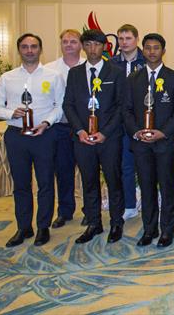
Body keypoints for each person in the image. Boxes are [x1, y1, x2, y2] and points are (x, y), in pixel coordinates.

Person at [0, 33, 65, 247]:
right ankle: (24, 227)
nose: (29, 50)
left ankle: (43, 227)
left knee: (46, 183)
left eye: (33, 46)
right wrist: (11, 113)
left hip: (44, 135)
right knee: (21, 184)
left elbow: (60, 105)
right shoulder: (7, 77)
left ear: (40, 49)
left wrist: (47, 123)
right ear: (19, 50)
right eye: (25, 47)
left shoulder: (52, 76)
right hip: (16, 137)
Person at [63, 29, 127, 244]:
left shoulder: (116, 72)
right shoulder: (75, 73)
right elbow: (68, 105)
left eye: (97, 45)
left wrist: (105, 132)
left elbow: (121, 106)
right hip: (82, 138)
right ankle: (94, 223)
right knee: (89, 182)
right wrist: (80, 130)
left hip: (109, 138)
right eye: (88, 45)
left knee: (113, 180)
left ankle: (117, 222)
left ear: (104, 47)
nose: (92, 49)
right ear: (83, 47)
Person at [123, 33, 174, 248]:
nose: (152, 51)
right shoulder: (133, 79)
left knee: (167, 186)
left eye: (156, 47)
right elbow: (127, 110)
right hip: (141, 144)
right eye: (148, 48)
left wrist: (164, 132)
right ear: (143, 50)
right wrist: (136, 132)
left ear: (163, 51)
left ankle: (167, 231)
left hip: (165, 143)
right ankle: (149, 229)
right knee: (147, 187)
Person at [44, 29, 86, 229]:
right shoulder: (49, 69)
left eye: (73, 42)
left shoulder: (90, 66)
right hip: (60, 127)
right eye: (65, 42)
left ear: (81, 45)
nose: (69, 45)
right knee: (63, 172)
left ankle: (90, 211)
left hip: (86, 128)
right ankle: (65, 211)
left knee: (89, 172)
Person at [111, 24, 146, 222]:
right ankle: (129, 205)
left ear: (136, 39)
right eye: (121, 39)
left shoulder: (146, 60)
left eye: (128, 38)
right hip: (118, 122)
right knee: (124, 166)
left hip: (141, 122)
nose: (124, 42)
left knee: (144, 166)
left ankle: (148, 205)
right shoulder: (112, 63)